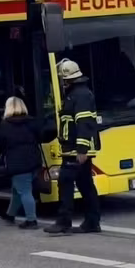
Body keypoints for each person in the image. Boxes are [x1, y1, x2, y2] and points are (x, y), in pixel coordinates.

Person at [44, 59, 102, 235]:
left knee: (65, 181)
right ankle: (92, 222)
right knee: (85, 184)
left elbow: (84, 123)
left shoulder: (80, 96)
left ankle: (63, 222)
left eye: (63, 80)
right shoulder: (76, 94)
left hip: (76, 150)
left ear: (67, 79)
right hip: (74, 148)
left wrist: (82, 150)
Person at [0, 96, 42, 229]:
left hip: (17, 163)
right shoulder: (31, 122)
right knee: (18, 190)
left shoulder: (5, 125)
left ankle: (31, 220)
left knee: (25, 191)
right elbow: (41, 136)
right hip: (33, 160)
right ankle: (10, 214)